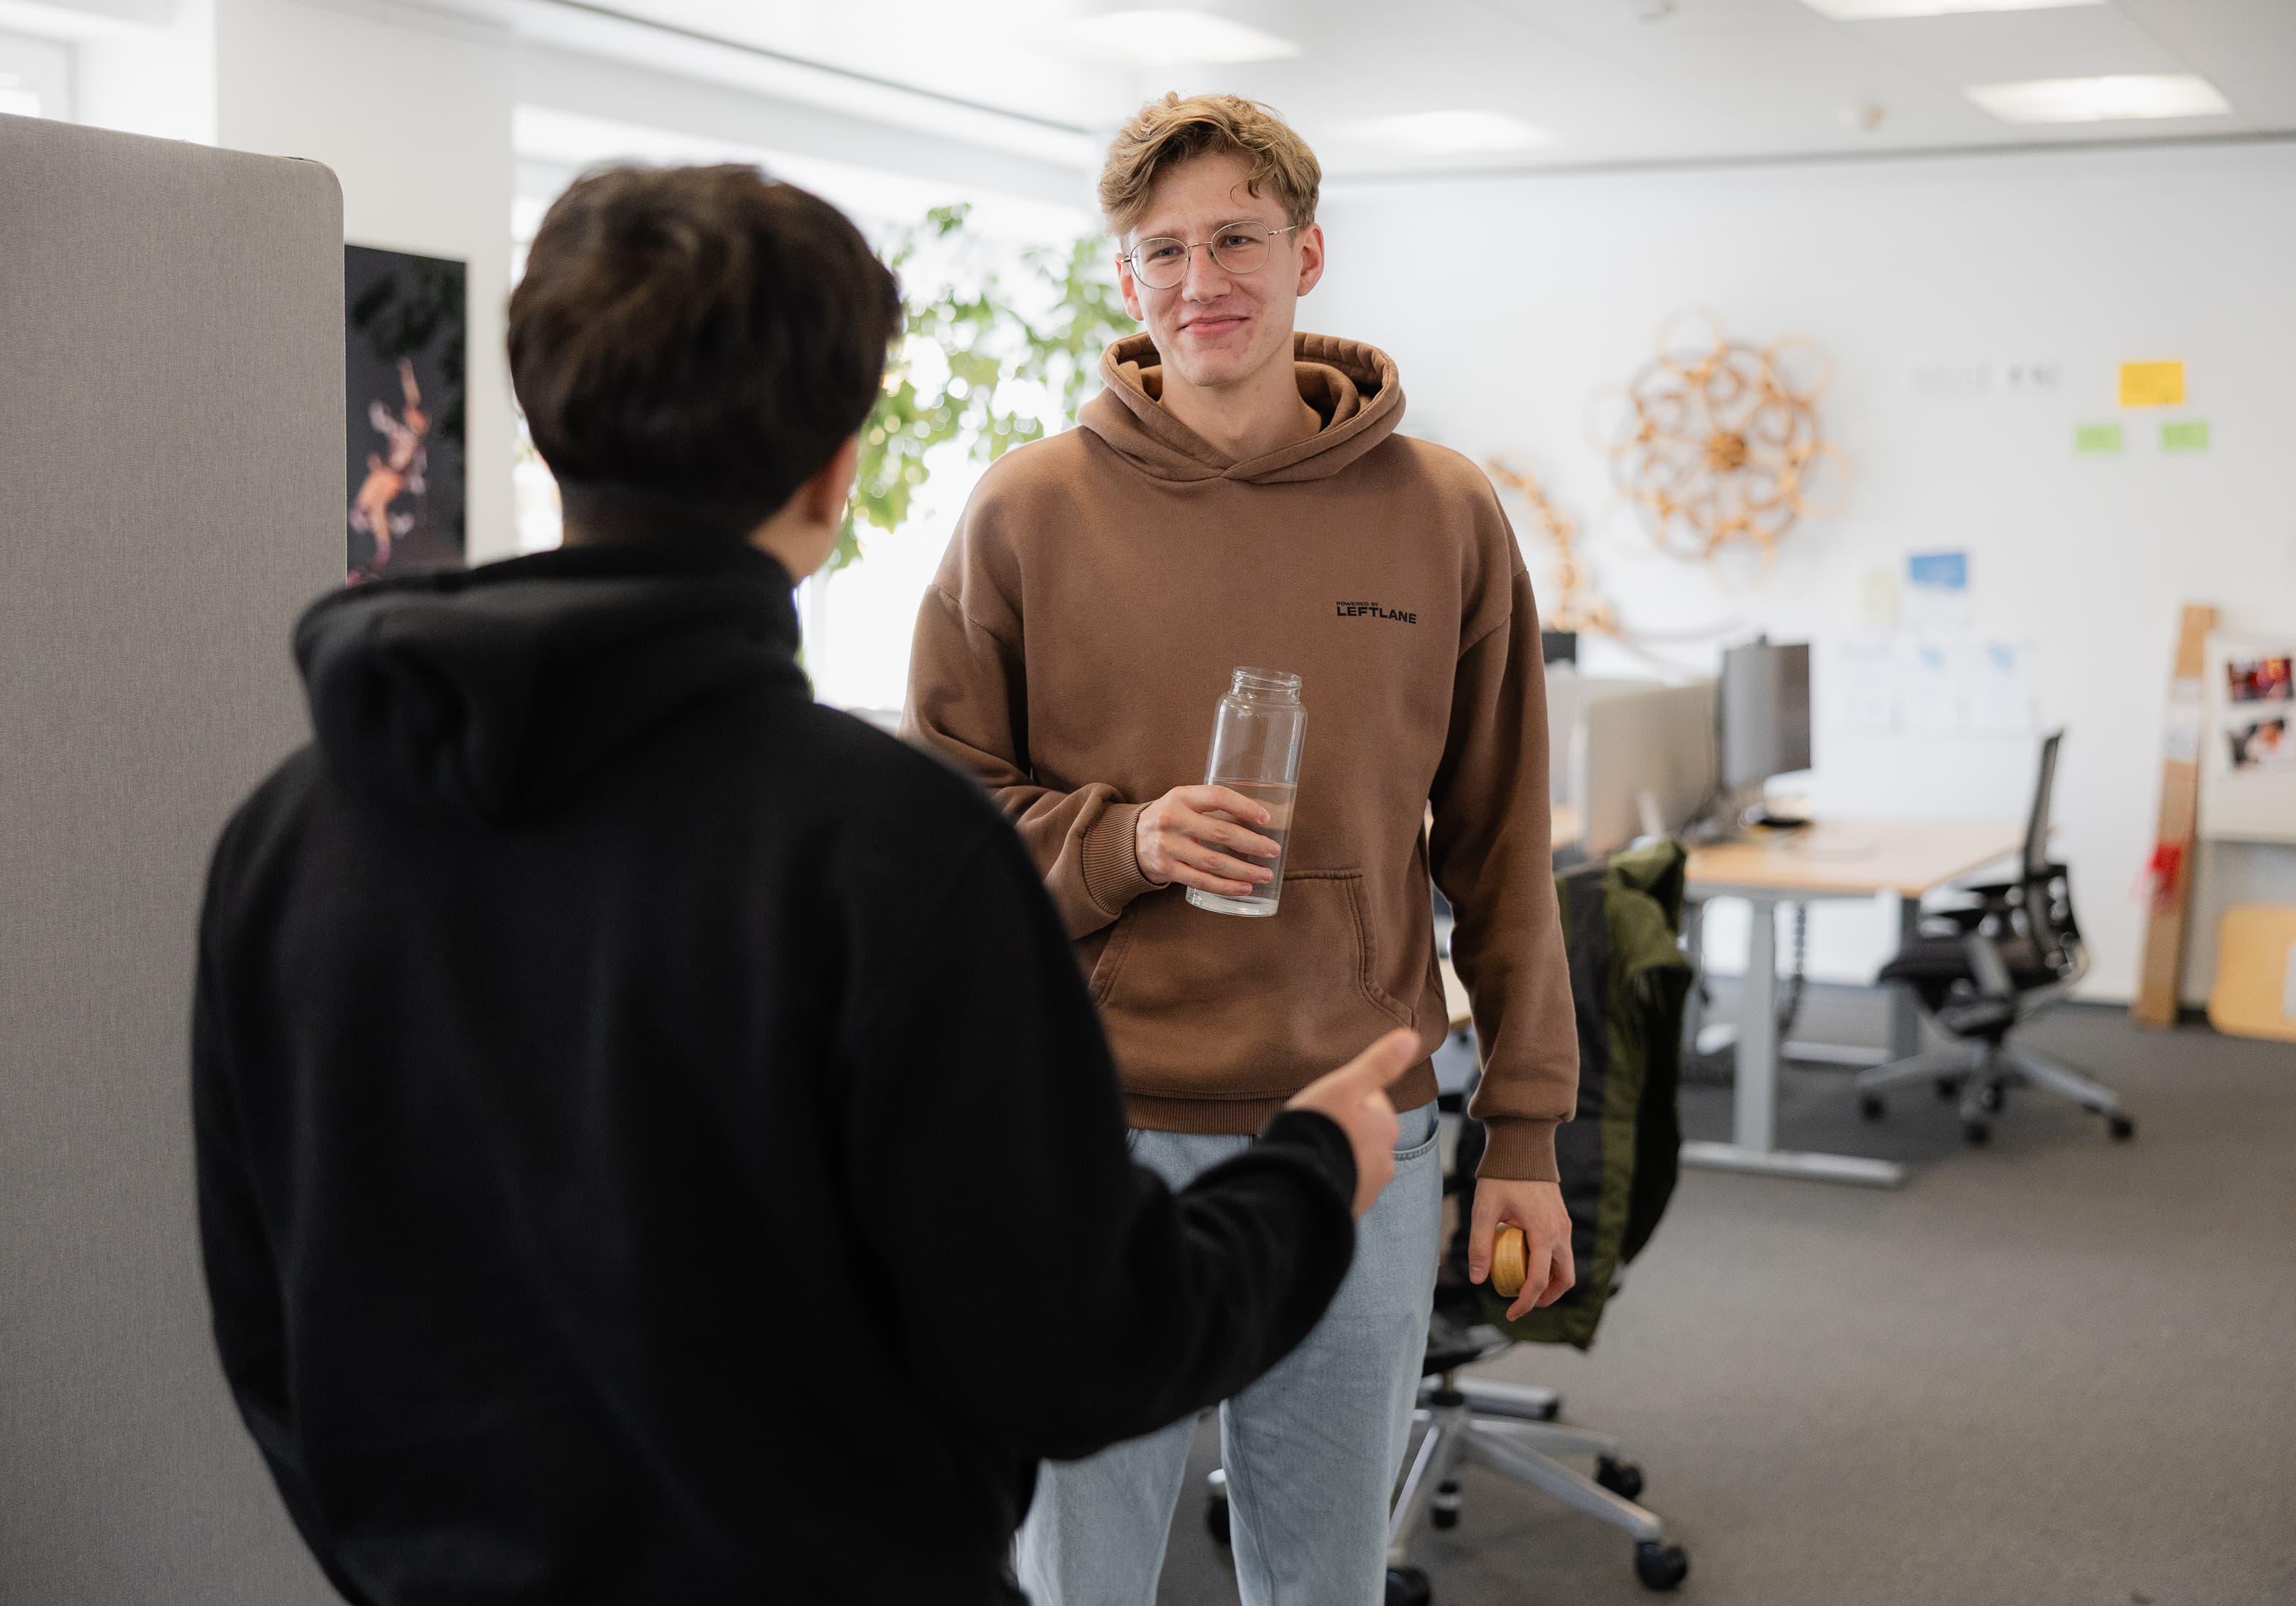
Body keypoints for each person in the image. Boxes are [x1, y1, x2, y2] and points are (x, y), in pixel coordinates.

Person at [191, 163, 1425, 1606]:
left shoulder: (291, 831)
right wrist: (1313, 1168)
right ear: (836, 472)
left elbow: (273, 1322)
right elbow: (1077, 1347)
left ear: (547, 430)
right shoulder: (884, 850)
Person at [904, 93, 1582, 1605]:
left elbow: (1502, 843)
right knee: (1078, 1575)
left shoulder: (1447, 513)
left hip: (1359, 1129)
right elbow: (937, 845)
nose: (1200, 278)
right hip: (1093, 1131)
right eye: (1162, 251)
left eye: (1236, 238)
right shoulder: (1025, 511)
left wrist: (1525, 1130)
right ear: (1127, 282)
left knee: (1324, 1573)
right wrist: (1126, 838)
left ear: (1309, 253)